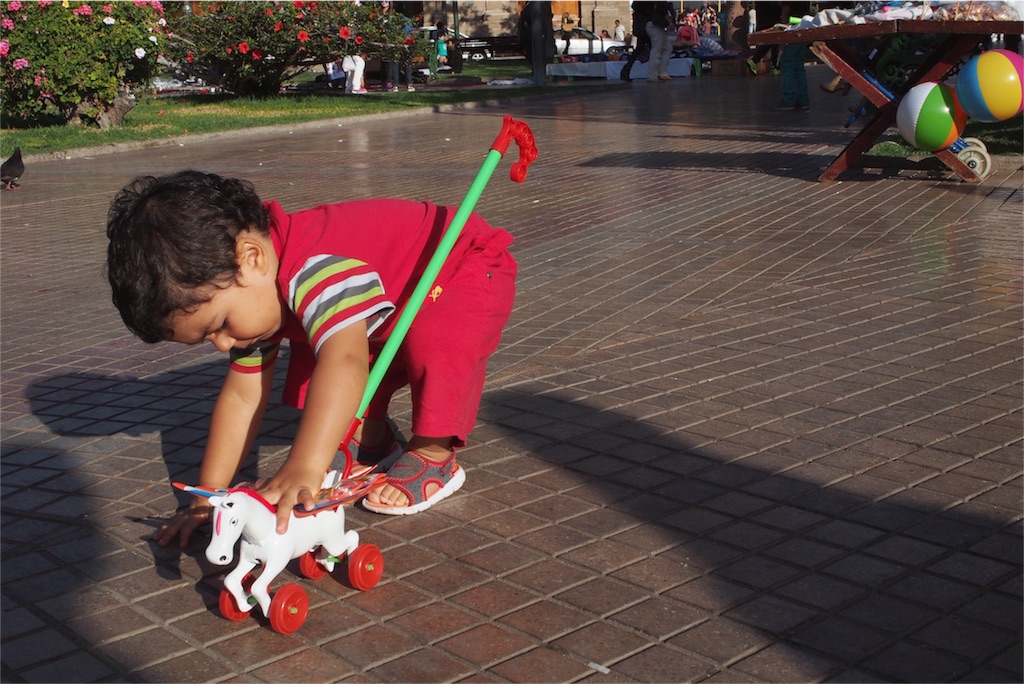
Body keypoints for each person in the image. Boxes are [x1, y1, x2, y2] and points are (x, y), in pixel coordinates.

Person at [108, 171, 518, 546]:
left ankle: (434, 451)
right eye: (206, 338)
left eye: (220, 324)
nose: (221, 344)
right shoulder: (252, 290)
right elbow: (241, 399)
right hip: (397, 290)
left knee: (420, 342)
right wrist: (209, 498)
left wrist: (304, 465)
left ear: (252, 258)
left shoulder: (313, 268)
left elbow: (345, 362)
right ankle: (372, 442)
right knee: (325, 351)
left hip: (461, 267)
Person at [619, 2, 653, 80]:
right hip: (646, 30)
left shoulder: (637, 8)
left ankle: (626, 70)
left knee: (639, 50)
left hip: (641, 30)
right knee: (655, 49)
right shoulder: (646, 7)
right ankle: (655, 73)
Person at [645, 1, 675, 83]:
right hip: (655, 25)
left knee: (667, 48)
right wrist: (670, 22)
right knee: (657, 50)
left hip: (655, 25)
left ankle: (661, 73)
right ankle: (653, 75)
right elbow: (662, 10)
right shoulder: (660, 3)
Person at [776, 42, 811, 110]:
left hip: (790, 39)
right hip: (803, 37)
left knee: (788, 69)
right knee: (800, 69)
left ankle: (788, 100)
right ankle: (803, 100)